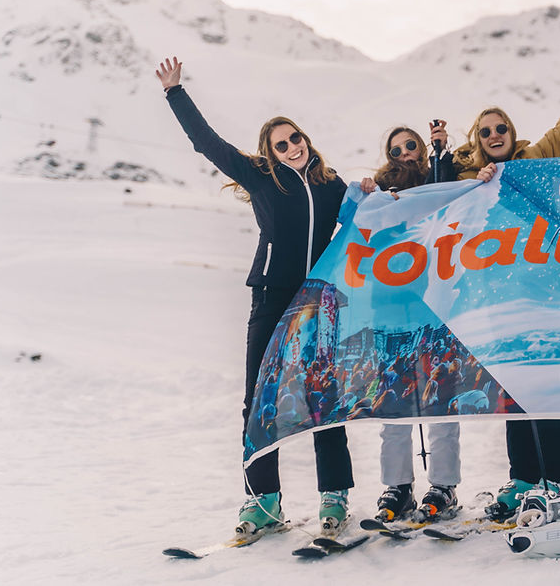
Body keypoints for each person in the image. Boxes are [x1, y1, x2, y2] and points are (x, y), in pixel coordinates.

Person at [155, 57, 354, 535]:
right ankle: (263, 501)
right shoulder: (261, 176)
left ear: (306, 139)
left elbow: (367, 218)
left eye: (295, 138)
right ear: (271, 152)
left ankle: (334, 496)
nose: (291, 147)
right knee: (259, 398)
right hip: (270, 296)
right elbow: (207, 142)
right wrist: (175, 93)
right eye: (281, 144)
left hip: (318, 301)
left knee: (324, 397)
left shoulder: (332, 185)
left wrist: (373, 190)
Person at [450, 98, 560, 520]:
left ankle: (556, 478)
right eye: (486, 132)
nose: (495, 136)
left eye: (501, 129)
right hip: (502, 300)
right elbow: (438, 197)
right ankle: (524, 479)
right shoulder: (471, 180)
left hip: (549, 294)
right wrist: (473, 182)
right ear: (478, 141)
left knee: (549, 389)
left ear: (512, 133)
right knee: (512, 391)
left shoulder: (534, 161)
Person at [359, 123, 464, 522]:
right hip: (389, 310)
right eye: (396, 149)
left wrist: (442, 156)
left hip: (435, 307)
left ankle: (444, 485)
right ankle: (398, 486)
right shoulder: (379, 197)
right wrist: (366, 195)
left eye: (411, 145)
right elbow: (356, 230)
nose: (405, 153)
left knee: (440, 399)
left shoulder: (440, 180)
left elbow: (460, 203)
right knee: (393, 403)